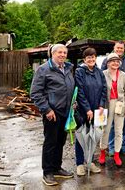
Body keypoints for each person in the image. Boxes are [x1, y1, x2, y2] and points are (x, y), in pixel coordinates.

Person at [30, 44, 75, 186]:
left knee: (61, 141)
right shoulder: (44, 70)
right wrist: (47, 110)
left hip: (65, 112)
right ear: (53, 54)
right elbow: (35, 93)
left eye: (64, 52)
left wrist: (73, 103)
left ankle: (57, 168)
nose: (62, 55)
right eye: (59, 52)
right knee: (50, 142)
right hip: (52, 113)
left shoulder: (68, 68)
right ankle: (48, 172)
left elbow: (71, 88)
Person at [74, 47, 107, 175]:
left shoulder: (99, 72)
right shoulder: (79, 72)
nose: (91, 59)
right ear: (84, 59)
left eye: (93, 57)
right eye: (88, 57)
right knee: (82, 136)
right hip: (83, 111)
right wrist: (87, 109)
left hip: (97, 111)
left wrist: (101, 105)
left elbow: (104, 89)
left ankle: (90, 162)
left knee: (93, 136)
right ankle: (80, 164)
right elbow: (80, 92)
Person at [101, 41, 125, 155]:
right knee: (107, 128)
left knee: (120, 128)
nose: (115, 63)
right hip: (107, 103)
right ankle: (107, 149)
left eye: (121, 48)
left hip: (120, 102)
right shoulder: (104, 70)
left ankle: (119, 149)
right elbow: (101, 88)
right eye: (112, 61)